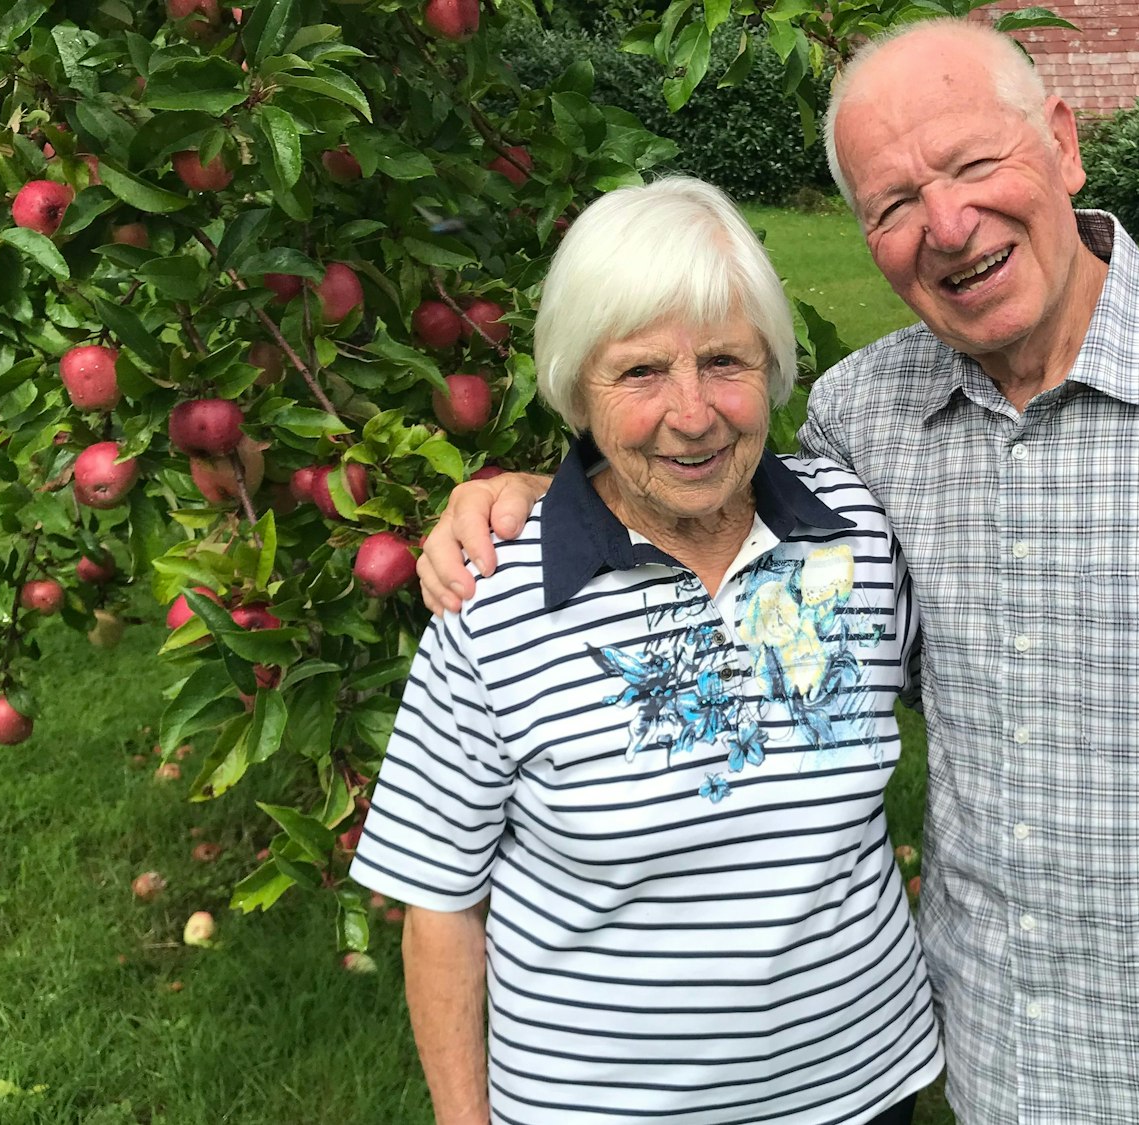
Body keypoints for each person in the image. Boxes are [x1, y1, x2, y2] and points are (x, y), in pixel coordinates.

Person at [417, 20, 1139, 1125]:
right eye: (892, 205)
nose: (946, 225)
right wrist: (541, 501)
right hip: (995, 1068)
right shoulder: (859, 426)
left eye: (975, 164)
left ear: (1064, 145)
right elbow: (716, 528)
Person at [352, 176, 941, 1125]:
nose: (694, 412)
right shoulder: (493, 594)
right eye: (639, 374)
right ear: (577, 387)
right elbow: (440, 904)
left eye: (724, 361)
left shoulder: (854, 537)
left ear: (773, 366)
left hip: (861, 1094)